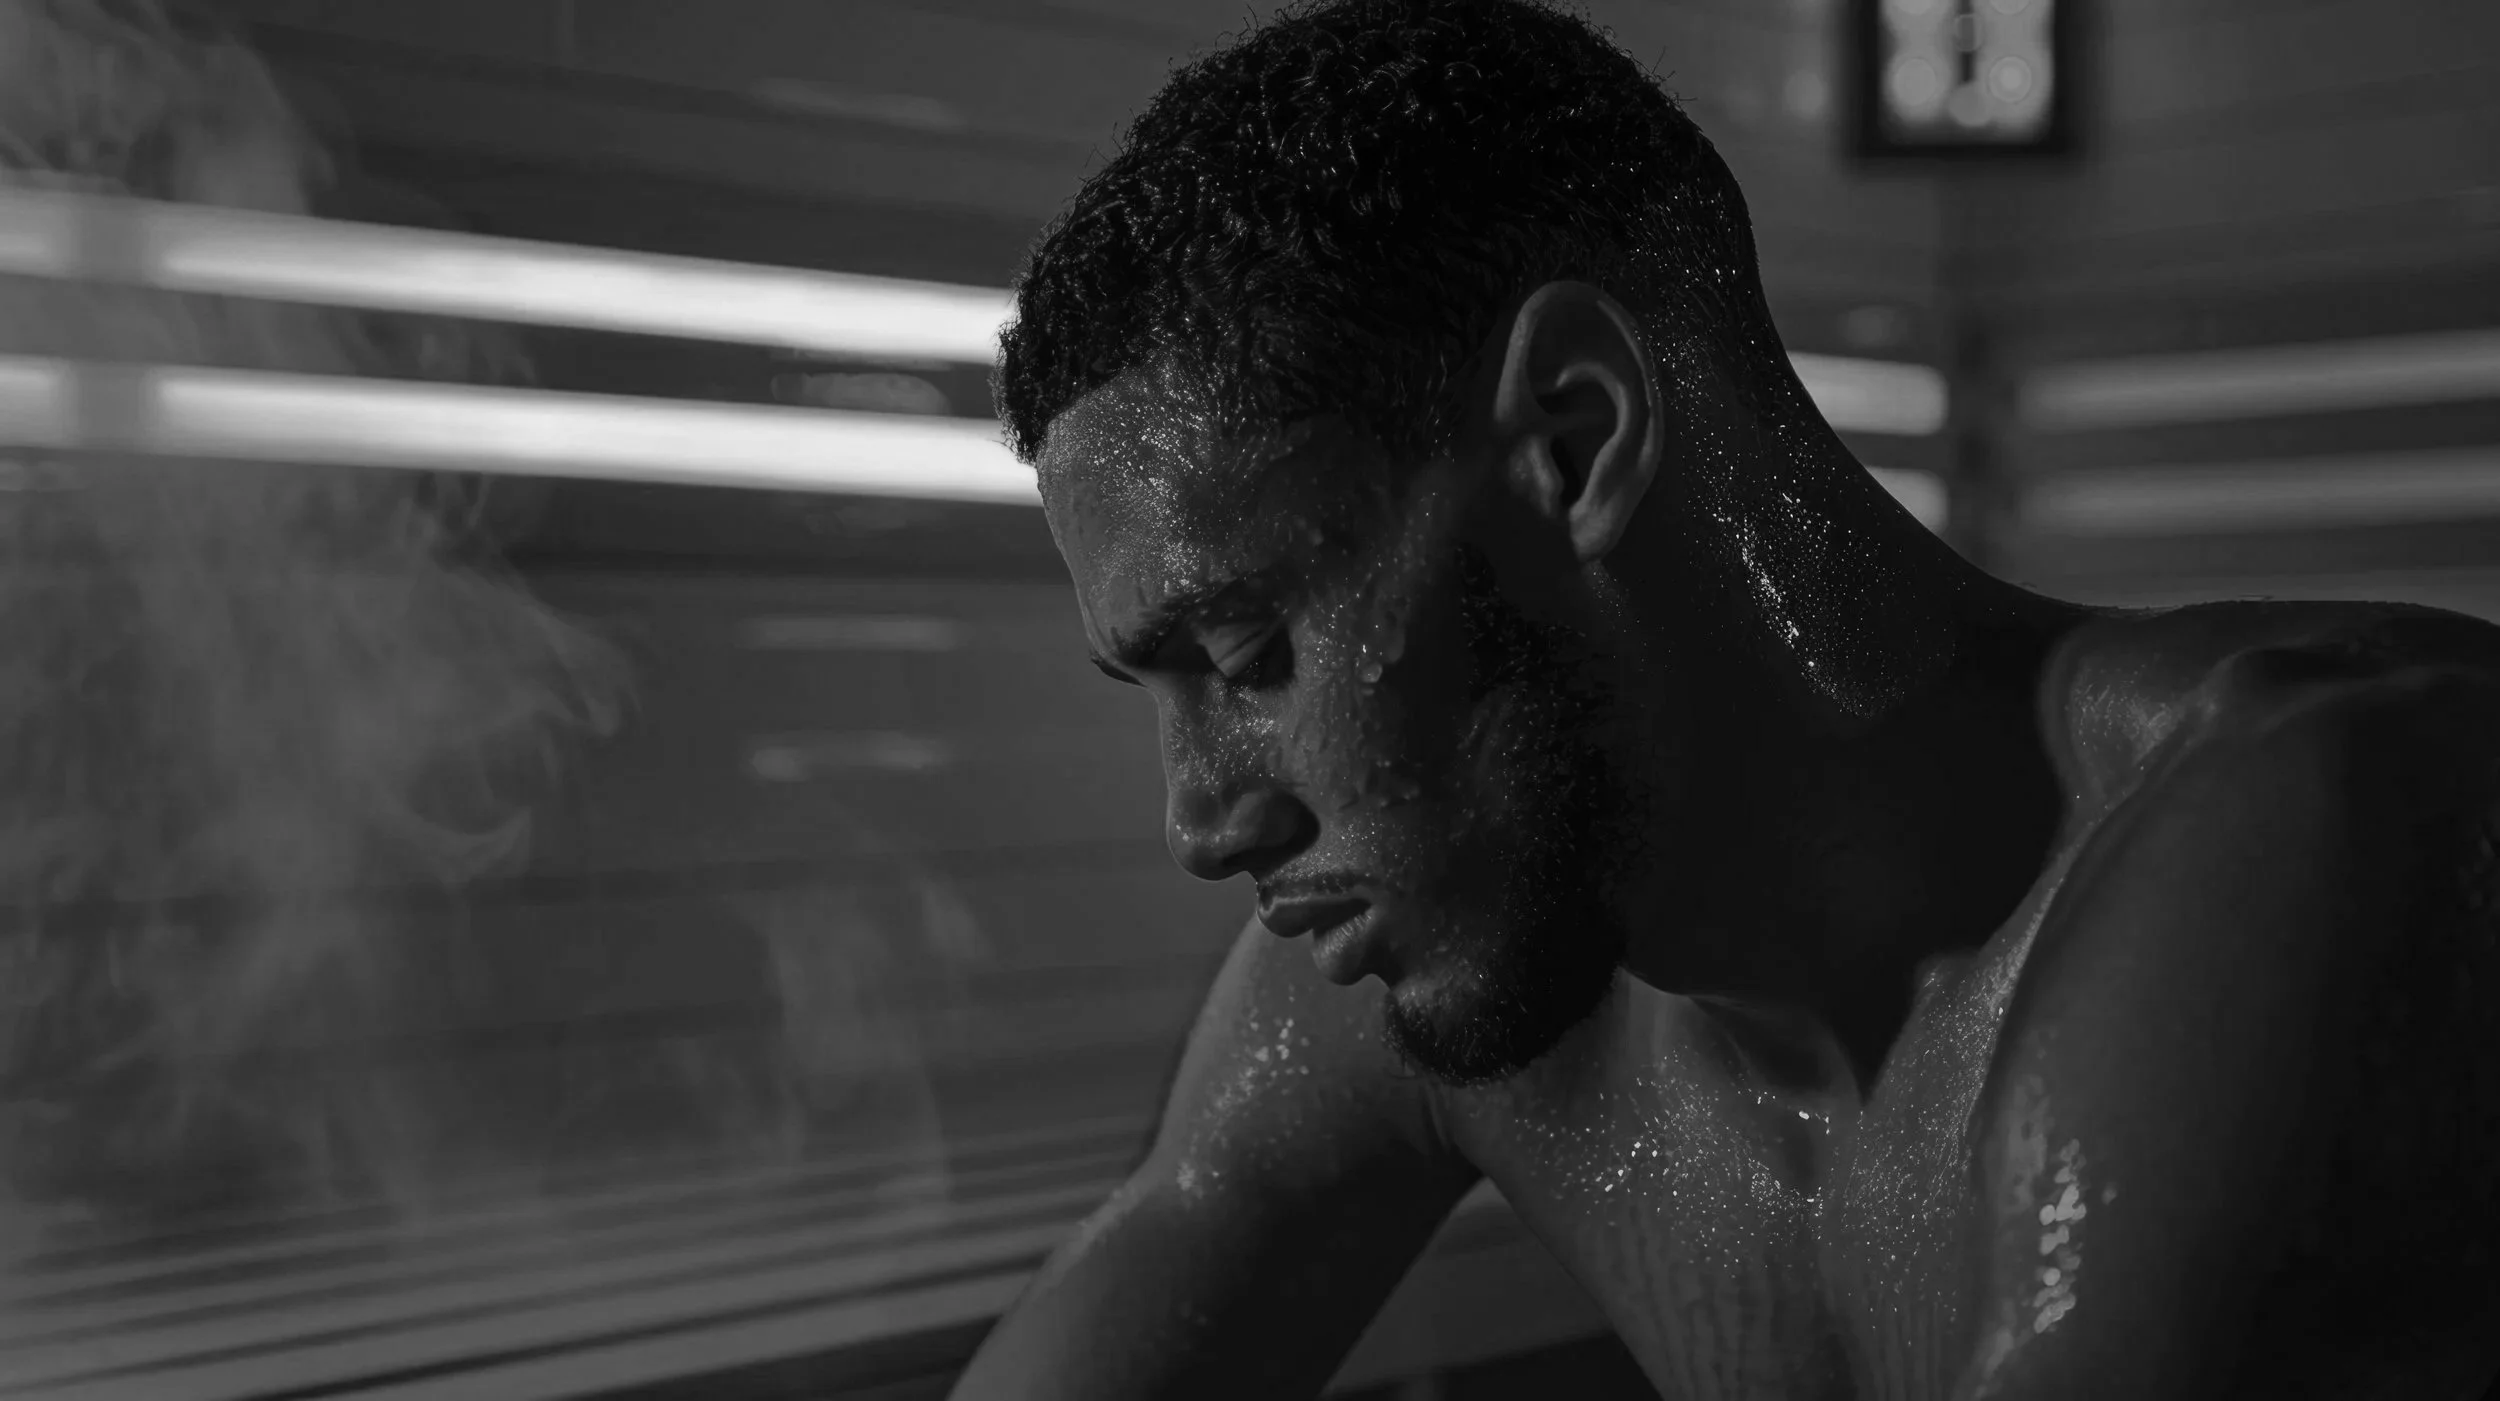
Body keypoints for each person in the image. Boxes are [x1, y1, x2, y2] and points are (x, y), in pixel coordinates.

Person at [948, 2, 2500, 1396]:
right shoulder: (1457, 937)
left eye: (1245, 658)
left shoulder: (2321, 811)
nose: (1202, 823)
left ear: (1571, 439)